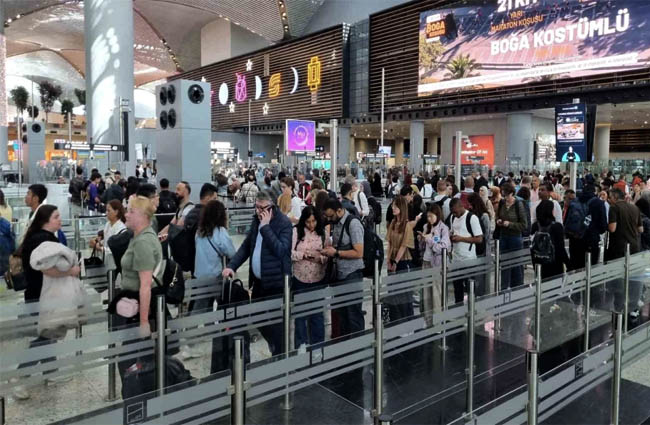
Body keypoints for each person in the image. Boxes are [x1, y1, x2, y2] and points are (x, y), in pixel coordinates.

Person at [11, 205, 81, 400]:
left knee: (47, 334)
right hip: (42, 295)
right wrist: (71, 272)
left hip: (39, 294)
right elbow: (46, 269)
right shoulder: (42, 240)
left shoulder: (40, 238)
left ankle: (50, 373)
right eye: (56, 216)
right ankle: (19, 376)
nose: (60, 219)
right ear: (46, 220)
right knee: (45, 337)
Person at [223, 191, 292, 356]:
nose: (259, 211)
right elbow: (247, 246)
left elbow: (281, 250)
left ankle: (281, 358)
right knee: (259, 318)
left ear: (272, 207)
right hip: (259, 283)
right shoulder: (256, 221)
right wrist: (232, 265)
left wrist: (266, 227)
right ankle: (274, 347)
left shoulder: (284, 224)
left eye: (263, 208)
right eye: (257, 207)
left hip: (276, 284)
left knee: (277, 328)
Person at [321, 198, 365, 337]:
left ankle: (358, 350)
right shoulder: (337, 223)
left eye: (331, 215)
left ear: (339, 210)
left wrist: (337, 253)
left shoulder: (353, 224)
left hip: (352, 274)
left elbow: (359, 252)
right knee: (343, 315)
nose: (329, 219)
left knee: (353, 315)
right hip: (340, 276)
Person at [291, 206, 327, 348]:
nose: (311, 225)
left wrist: (321, 258)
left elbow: (327, 254)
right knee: (300, 316)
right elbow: (290, 252)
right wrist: (303, 255)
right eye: (308, 222)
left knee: (317, 316)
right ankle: (301, 347)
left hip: (318, 278)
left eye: (314, 221)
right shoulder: (296, 231)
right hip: (300, 279)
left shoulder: (322, 233)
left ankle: (317, 348)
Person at [606, 188, 643, 319]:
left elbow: (612, 228)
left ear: (615, 197)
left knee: (619, 279)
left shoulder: (614, 208)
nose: (608, 199)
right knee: (632, 278)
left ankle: (619, 307)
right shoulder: (634, 208)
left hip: (618, 249)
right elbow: (640, 229)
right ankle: (633, 307)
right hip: (634, 247)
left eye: (610, 197)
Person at [418, 203, 450, 325]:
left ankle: (438, 320)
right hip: (426, 262)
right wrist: (421, 239)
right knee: (426, 292)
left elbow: (444, 247)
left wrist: (429, 240)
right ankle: (428, 319)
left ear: (437, 215)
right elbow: (423, 246)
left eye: (431, 216)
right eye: (428, 216)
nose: (429, 219)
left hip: (437, 264)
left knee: (437, 292)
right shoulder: (426, 226)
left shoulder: (443, 228)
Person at [385, 195, 415, 321]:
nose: (393, 208)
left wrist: (396, 261)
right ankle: (395, 321)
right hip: (392, 259)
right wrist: (388, 259)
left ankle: (407, 323)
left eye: (396, 206)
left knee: (404, 294)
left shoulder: (406, 225)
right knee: (393, 293)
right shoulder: (393, 223)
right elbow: (390, 242)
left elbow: (404, 246)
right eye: (393, 205)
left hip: (403, 261)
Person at [448, 198, 483, 303]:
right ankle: (458, 309)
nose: (454, 214)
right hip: (456, 258)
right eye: (452, 212)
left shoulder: (472, 218)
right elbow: (452, 231)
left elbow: (479, 239)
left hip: (469, 259)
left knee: (470, 287)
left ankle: (472, 310)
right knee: (457, 288)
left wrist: (461, 239)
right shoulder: (452, 218)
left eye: (455, 211)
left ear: (461, 206)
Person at [495, 183, 528, 289]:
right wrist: (498, 221)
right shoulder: (502, 203)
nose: (505, 198)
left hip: (515, 238)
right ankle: (503, 289)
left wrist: (510, 224)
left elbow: (524, 225)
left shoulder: (519, 204)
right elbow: (498, 215)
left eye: (507, 195)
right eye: (503, 195)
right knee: (504, 265)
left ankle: (517, 288)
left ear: (512, 194)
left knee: (516, 265)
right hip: (503, 237)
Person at [531, 200, 569, 279]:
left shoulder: (535, 225)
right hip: (554, 264)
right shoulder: (557, 226)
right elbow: (560, 248)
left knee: (541, 287)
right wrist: (568, 264)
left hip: (538, 261)